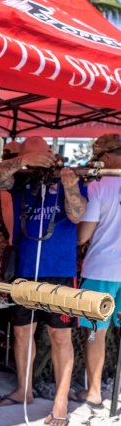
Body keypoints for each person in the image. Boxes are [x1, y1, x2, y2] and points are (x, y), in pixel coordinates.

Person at [0, 136, 87, 426]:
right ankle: (24, 390)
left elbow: (77, 214)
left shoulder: (67, 178)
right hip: (26, 268)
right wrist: (22, 163)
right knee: (21, 333)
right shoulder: (20, 180)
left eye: (42, 156)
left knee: (60, 335)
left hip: (59, 269)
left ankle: (60, 400)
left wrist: (68, 185)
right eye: (32, 157)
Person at [74, 134, 121, 409]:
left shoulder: (99, 186)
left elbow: (83, 235)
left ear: (105, 156)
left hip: (102, 268)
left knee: (95, 333)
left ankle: (94, 391)